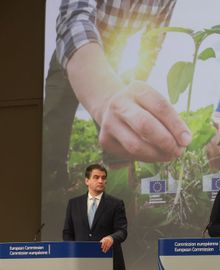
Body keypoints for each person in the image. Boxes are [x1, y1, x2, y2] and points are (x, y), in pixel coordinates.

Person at [43, 0, 191, 190]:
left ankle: (123, 201)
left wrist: (135, 91)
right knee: (54, 128)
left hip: (113, 60)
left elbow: (152, 43)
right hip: (70, 53)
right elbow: (75, 17)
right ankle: (53, 194)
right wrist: (103, 94)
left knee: (122, 140)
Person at [63, 164, 128, 270]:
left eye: (103, 178)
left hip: (109, 260)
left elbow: (122, 231)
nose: (101, 181)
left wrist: (111, 238)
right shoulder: (73, 204)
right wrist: (72, 252)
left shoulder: (116, 204)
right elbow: (67, 233)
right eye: (96, 177)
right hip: (80, 261)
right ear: (87, 181)